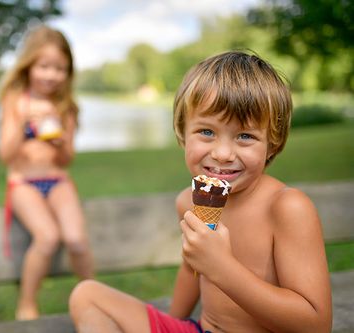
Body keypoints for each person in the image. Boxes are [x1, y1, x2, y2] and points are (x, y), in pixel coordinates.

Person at [69, 51, 332, 332]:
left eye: (245, 136)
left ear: (273, 143)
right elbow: (191, 270)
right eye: (206, 132)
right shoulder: (189, 202)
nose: (222, 153)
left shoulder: (286, 207)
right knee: (87, 296)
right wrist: (173, 322)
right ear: (182, 132)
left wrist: (222, 268)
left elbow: (315, 324)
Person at [0, 25, 94, 321]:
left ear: (69, 72)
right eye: (44, 66)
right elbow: (5, 154)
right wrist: (23, 122)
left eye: (59, 69)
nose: (51, 75)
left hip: (57, 180)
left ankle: (93, 298)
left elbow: (66, 159)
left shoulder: (66, 108)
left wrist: (60, 138)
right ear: (29, 66)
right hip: (24, 182)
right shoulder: (16, 102)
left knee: (76, 239)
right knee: (48, 237)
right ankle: (27, 304)